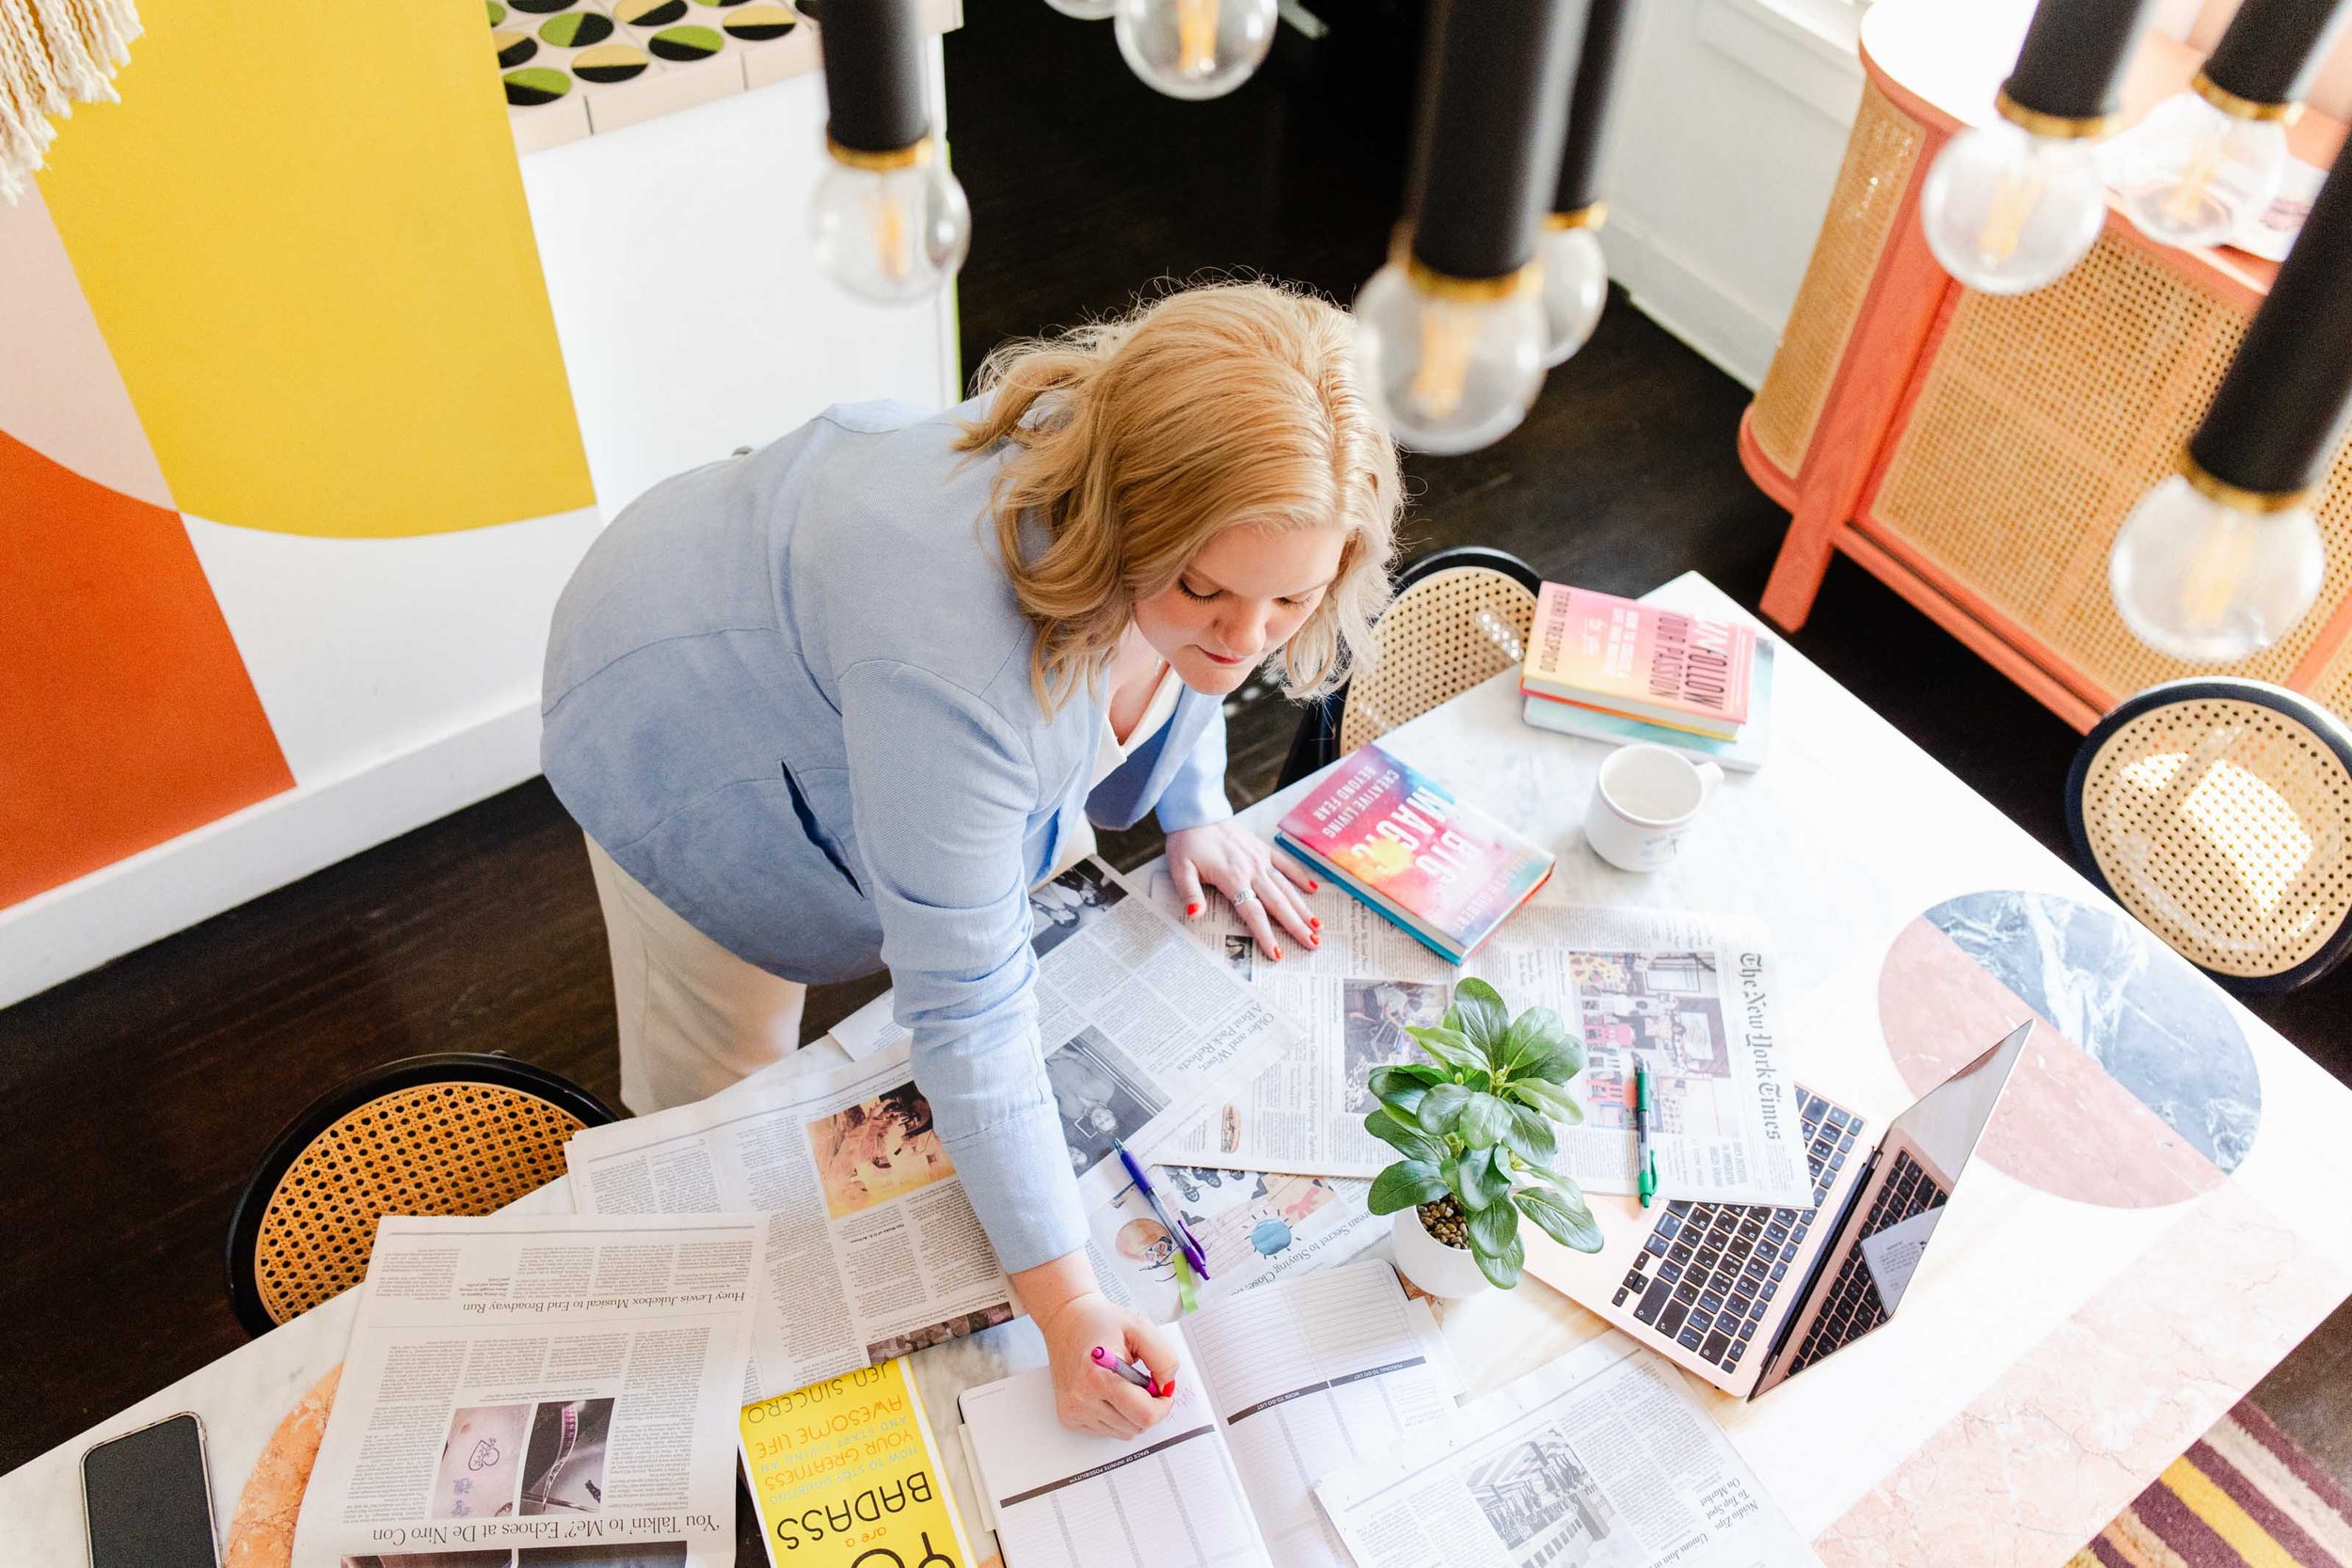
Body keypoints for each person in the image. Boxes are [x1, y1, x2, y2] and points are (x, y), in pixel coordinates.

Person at [540, 281, 1401, 1438]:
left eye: (1292, 598)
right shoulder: (957, 659)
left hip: (872, 653)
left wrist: (1197, 802)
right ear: (1121, 519)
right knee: (727, 1090)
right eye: (1200, 589)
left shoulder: (1194, 524)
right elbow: (965, 1009)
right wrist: (1069, 1301)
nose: (1249, 639)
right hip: (680, 704)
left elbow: (1191, 659)